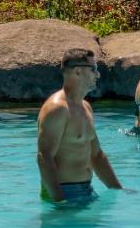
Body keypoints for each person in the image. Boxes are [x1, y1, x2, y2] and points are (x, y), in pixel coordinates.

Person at [36, 48, 122, 204]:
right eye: (94, 69)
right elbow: (44, 158)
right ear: (77, 72)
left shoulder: (85, 107)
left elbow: (96, 155)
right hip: (64, 192)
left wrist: (117, 189)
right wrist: (60, 201)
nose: (98, 74)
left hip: (87, 190)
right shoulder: (57, 109)